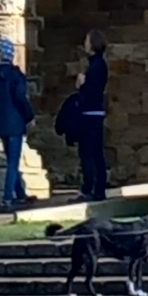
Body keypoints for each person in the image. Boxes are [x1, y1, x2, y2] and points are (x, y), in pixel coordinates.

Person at [0, 37, 33, 214]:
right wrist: (29, 116)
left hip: (1, 123)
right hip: (15, 123)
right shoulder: (15, 75)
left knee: (12, 159)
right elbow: (20, 98)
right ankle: (7, 198)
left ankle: (20, 194)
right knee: (13, 162)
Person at [56, 43, 111, 204]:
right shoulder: (100, 64)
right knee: (97, 154)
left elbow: (91, 91)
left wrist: (82, 83)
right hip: (96, 113)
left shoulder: (96, 65)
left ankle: (89, 189)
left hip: (89, 115)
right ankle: (98, 190)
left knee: (88, 154)